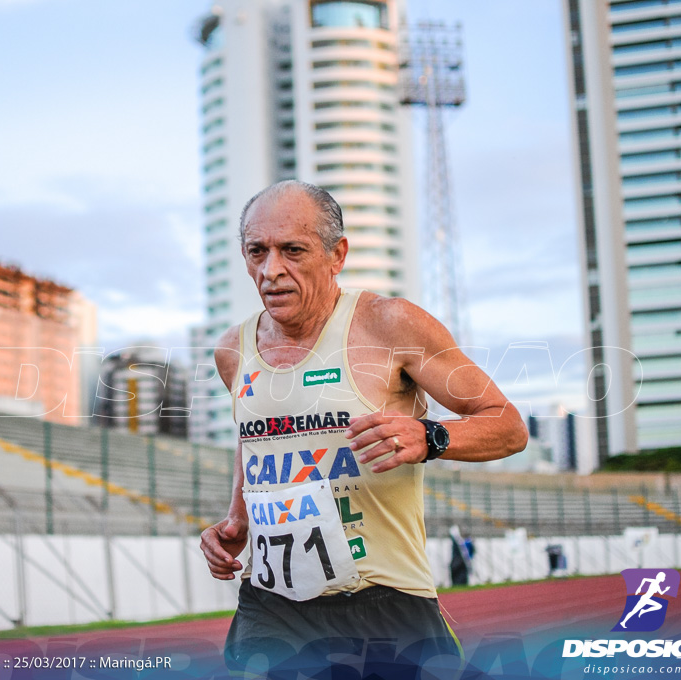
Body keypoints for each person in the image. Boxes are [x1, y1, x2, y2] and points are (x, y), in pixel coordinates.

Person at [199, 180, 528, 674]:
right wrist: (237, 518)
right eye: (257, 252)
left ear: (337, 255)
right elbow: (255, 437)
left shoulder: (390, 325)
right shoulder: (232, 350)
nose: (271, 271)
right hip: (271, 601)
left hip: (382, 598)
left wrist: (431, 437)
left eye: (293, 250)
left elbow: (508, 426)